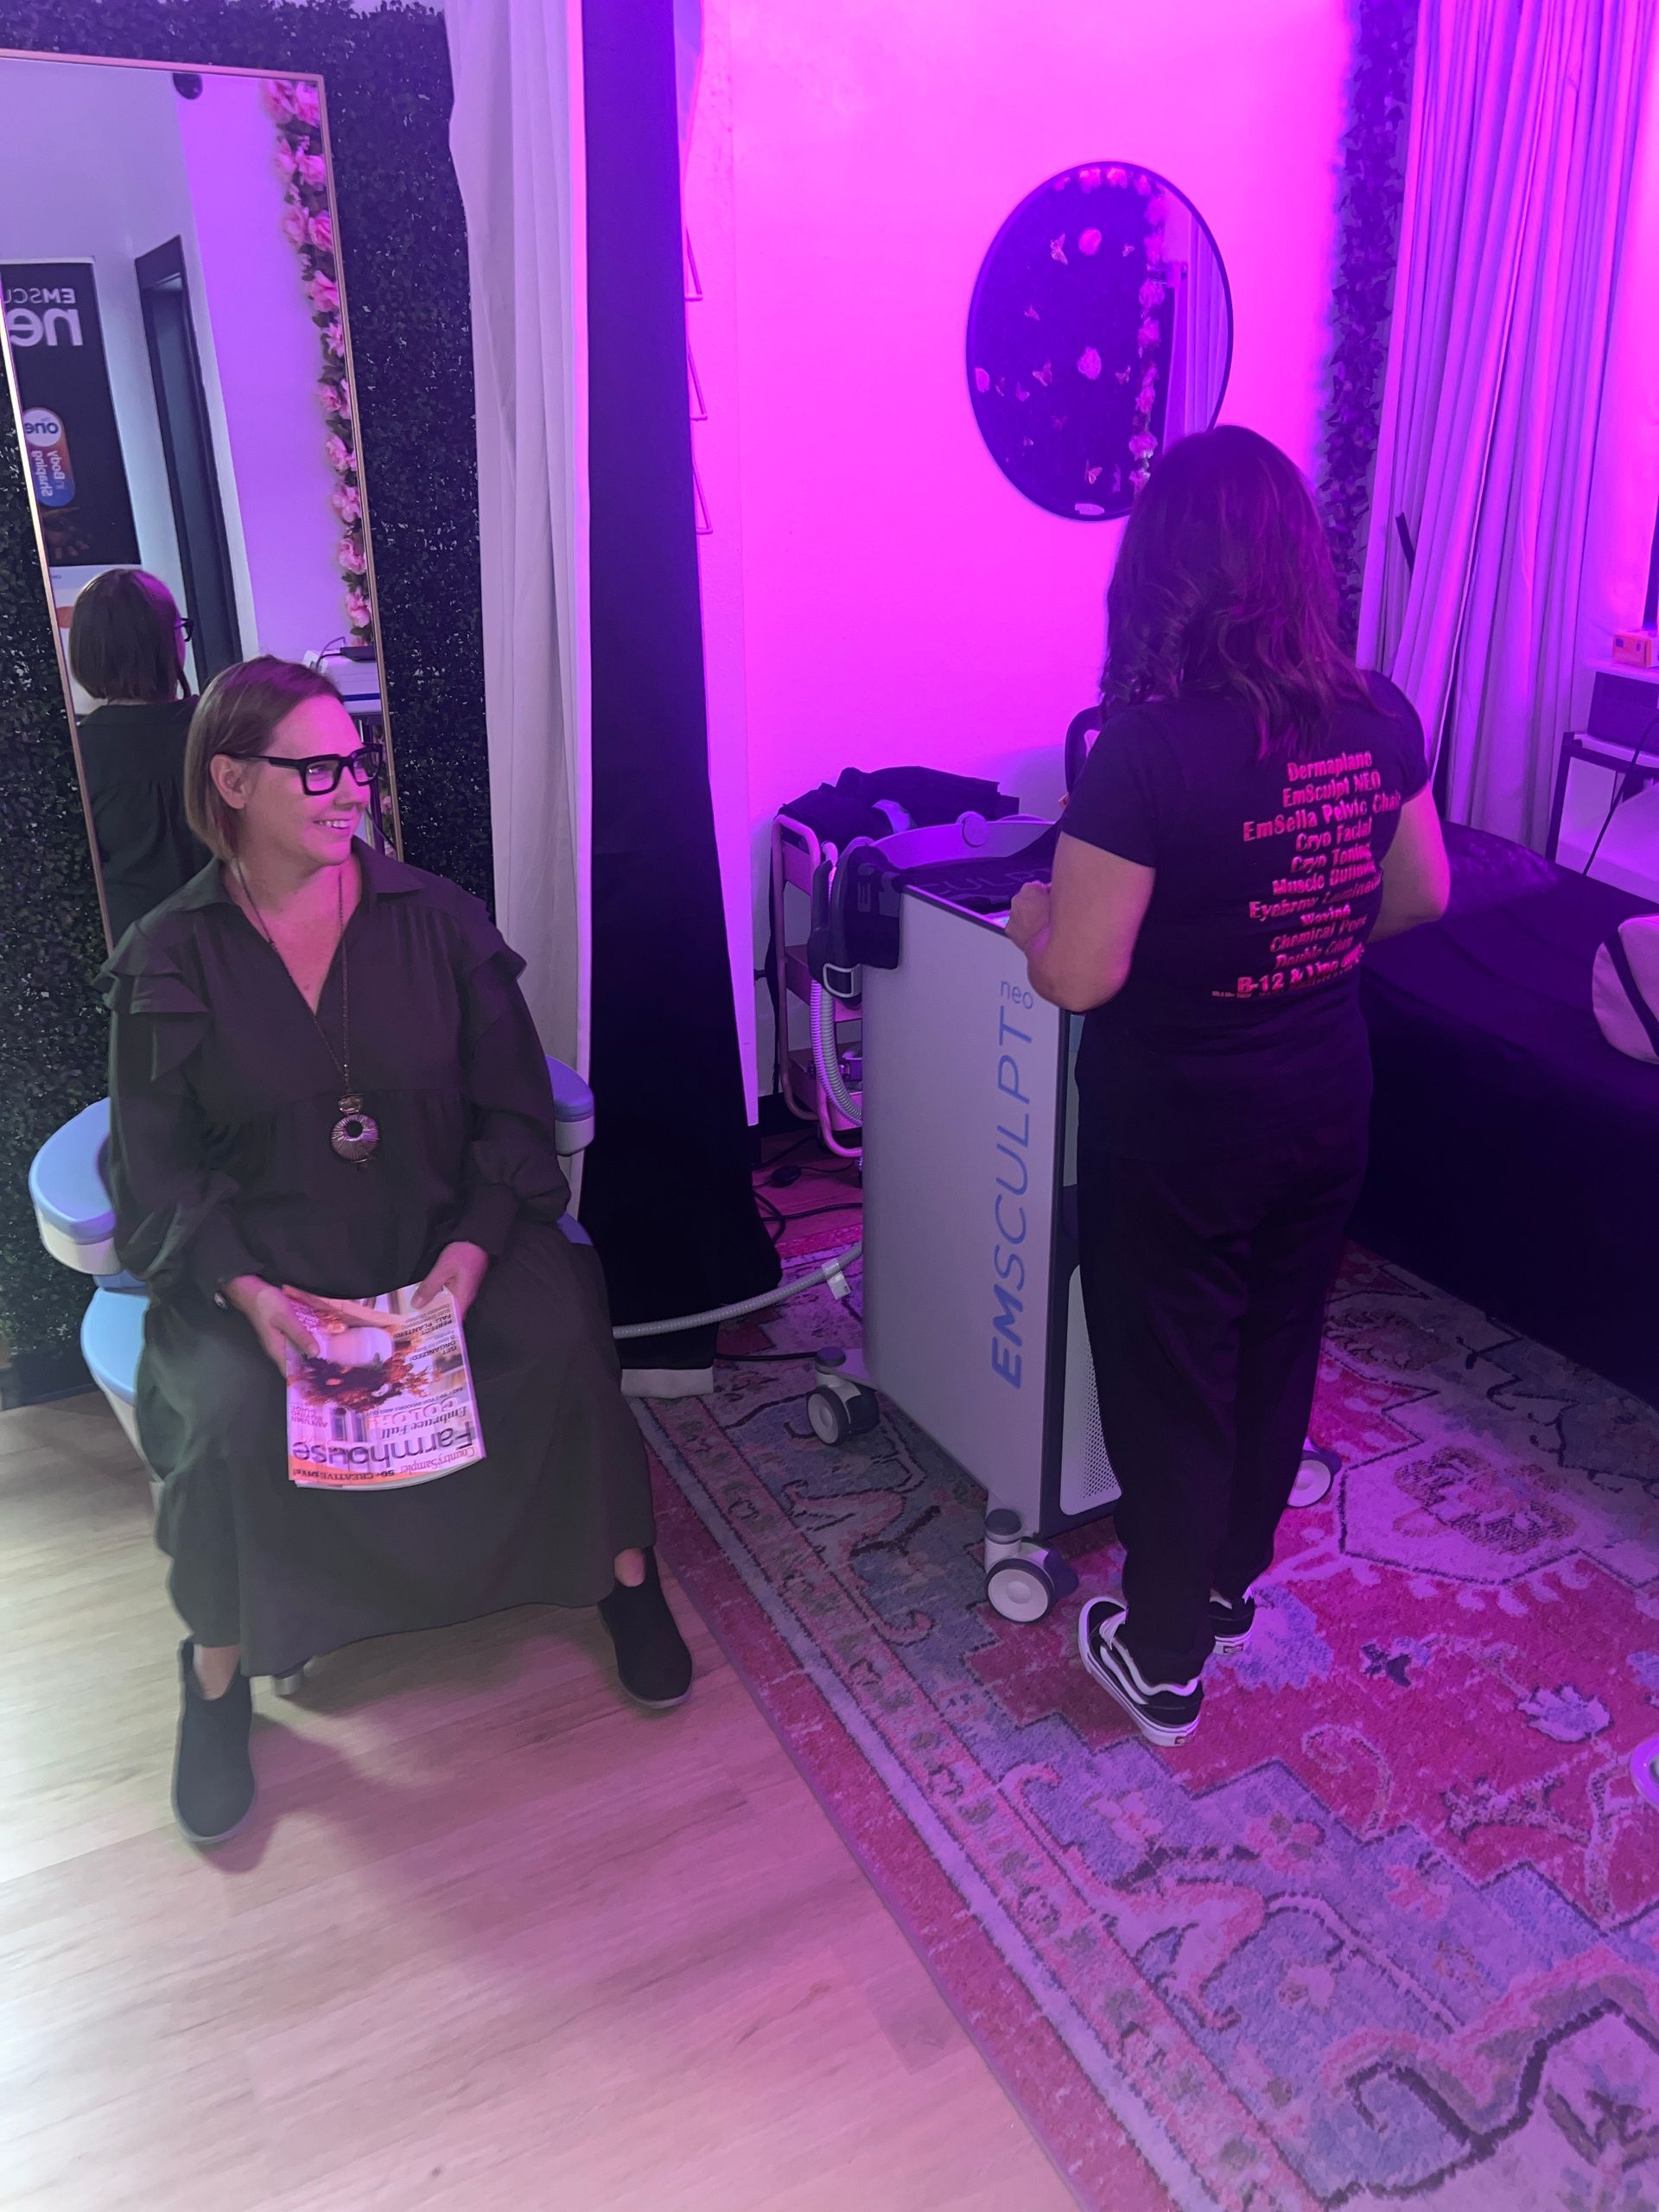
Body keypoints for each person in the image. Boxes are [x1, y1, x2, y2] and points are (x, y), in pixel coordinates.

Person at [102, 656, 691, 1847]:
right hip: (268, 1272)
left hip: (442, 1236)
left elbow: (516, 1118)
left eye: (351, 761)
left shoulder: (439, 922)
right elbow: (156, 1170)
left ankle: (625, 1575)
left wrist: (466, 1262)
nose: (345, 789)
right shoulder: (171, 959)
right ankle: (216, 1671)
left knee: (561, 1333)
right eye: (311, 767)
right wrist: (254, 1295)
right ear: (229, 780)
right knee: (218, 1411)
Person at [1005, 426, 1450, 1748]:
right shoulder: (1378, 714)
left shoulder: (1140, 754)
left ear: (1156, 573)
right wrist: (1296, 934)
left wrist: (1034, 913)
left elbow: (1081, 977)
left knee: (1169, 1372)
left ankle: (1163, 1654)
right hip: (1325, 1092)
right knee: (1274, 1343)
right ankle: (1223, 1582)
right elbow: (1422, 891)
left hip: (1184, 1123)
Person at [68, 568, 210, 944]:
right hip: (238, 942)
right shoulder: (224, 728)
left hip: (133, 959)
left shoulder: (79, 756)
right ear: (170, 642)